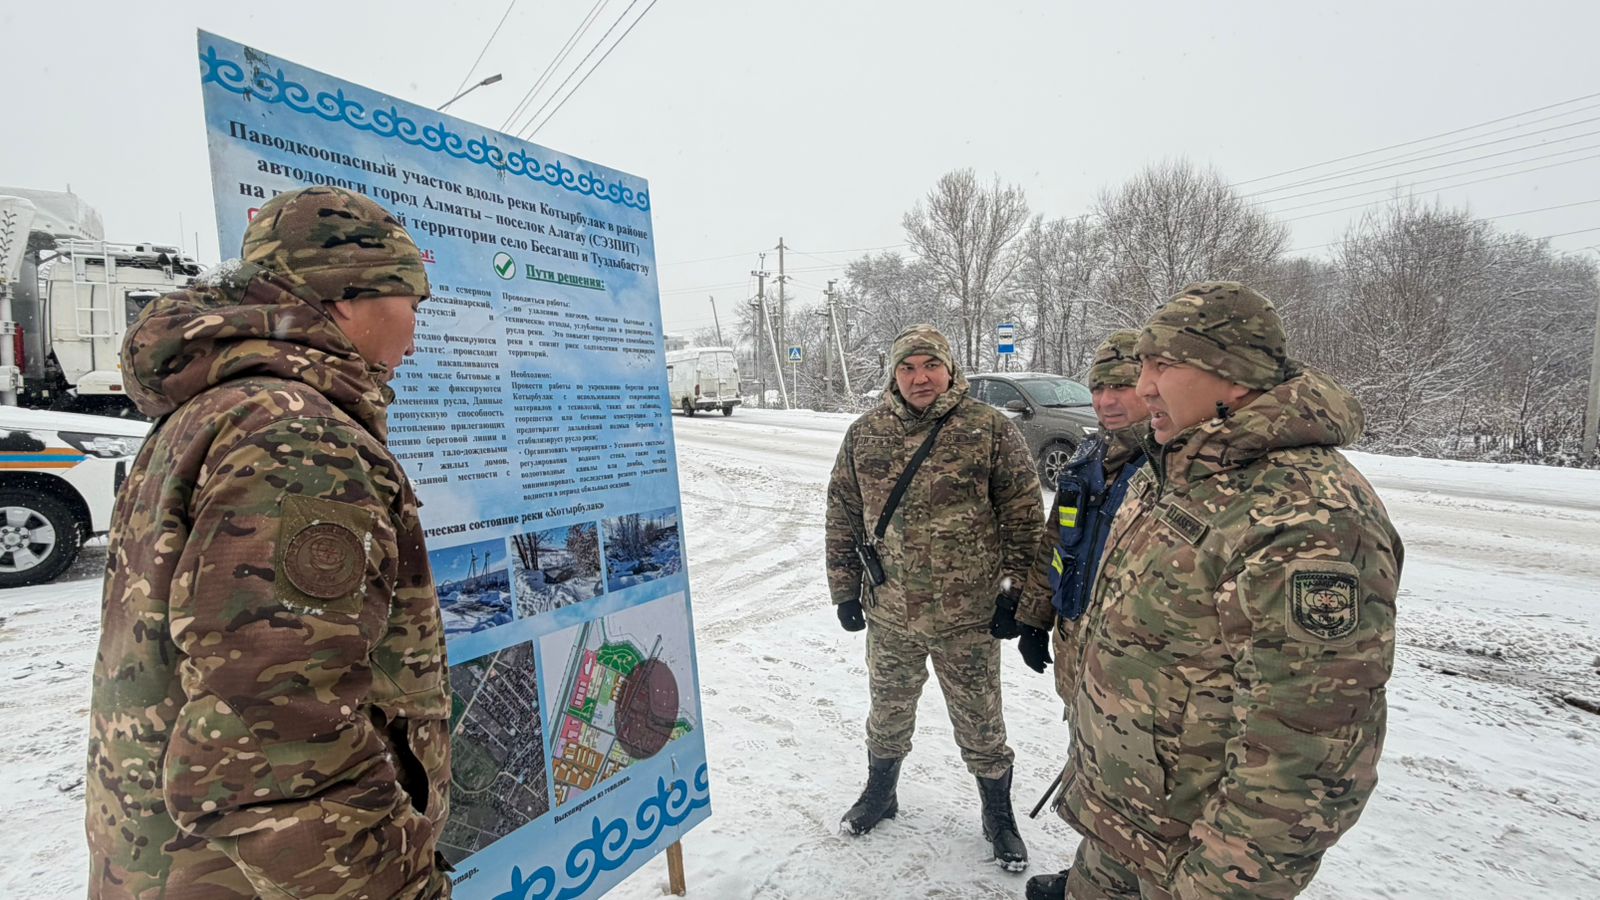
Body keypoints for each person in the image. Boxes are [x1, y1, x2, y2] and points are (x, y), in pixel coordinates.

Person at [85, 186, 453, 899]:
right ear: (345, 297)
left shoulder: (219, 409)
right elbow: (277, 738)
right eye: (413, 303)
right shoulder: (296, 437)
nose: (414, 335)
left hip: (176, 862)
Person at [1041, 282, 1402, 900]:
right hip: (1126, 818)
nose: (1143, 387)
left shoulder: (1307, 515)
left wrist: (1218, 885)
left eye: (1163, 365)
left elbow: (1308, 749)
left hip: (1195, 854)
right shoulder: (1179, 464)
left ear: (1234, 376)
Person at [824, 324, 1044, 871]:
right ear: (894, 374)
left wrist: (1013, 594)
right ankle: (881, 793)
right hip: (890, 611)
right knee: (888, 712)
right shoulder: (865, 434)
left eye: (930, 366)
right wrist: (844, 591)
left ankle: (998, 816)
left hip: (968, 614)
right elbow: (842, 515)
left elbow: (1023, 517)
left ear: (950, 369)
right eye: (907, 368)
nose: (919, 378)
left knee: (981, 721)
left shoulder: (988, 428)